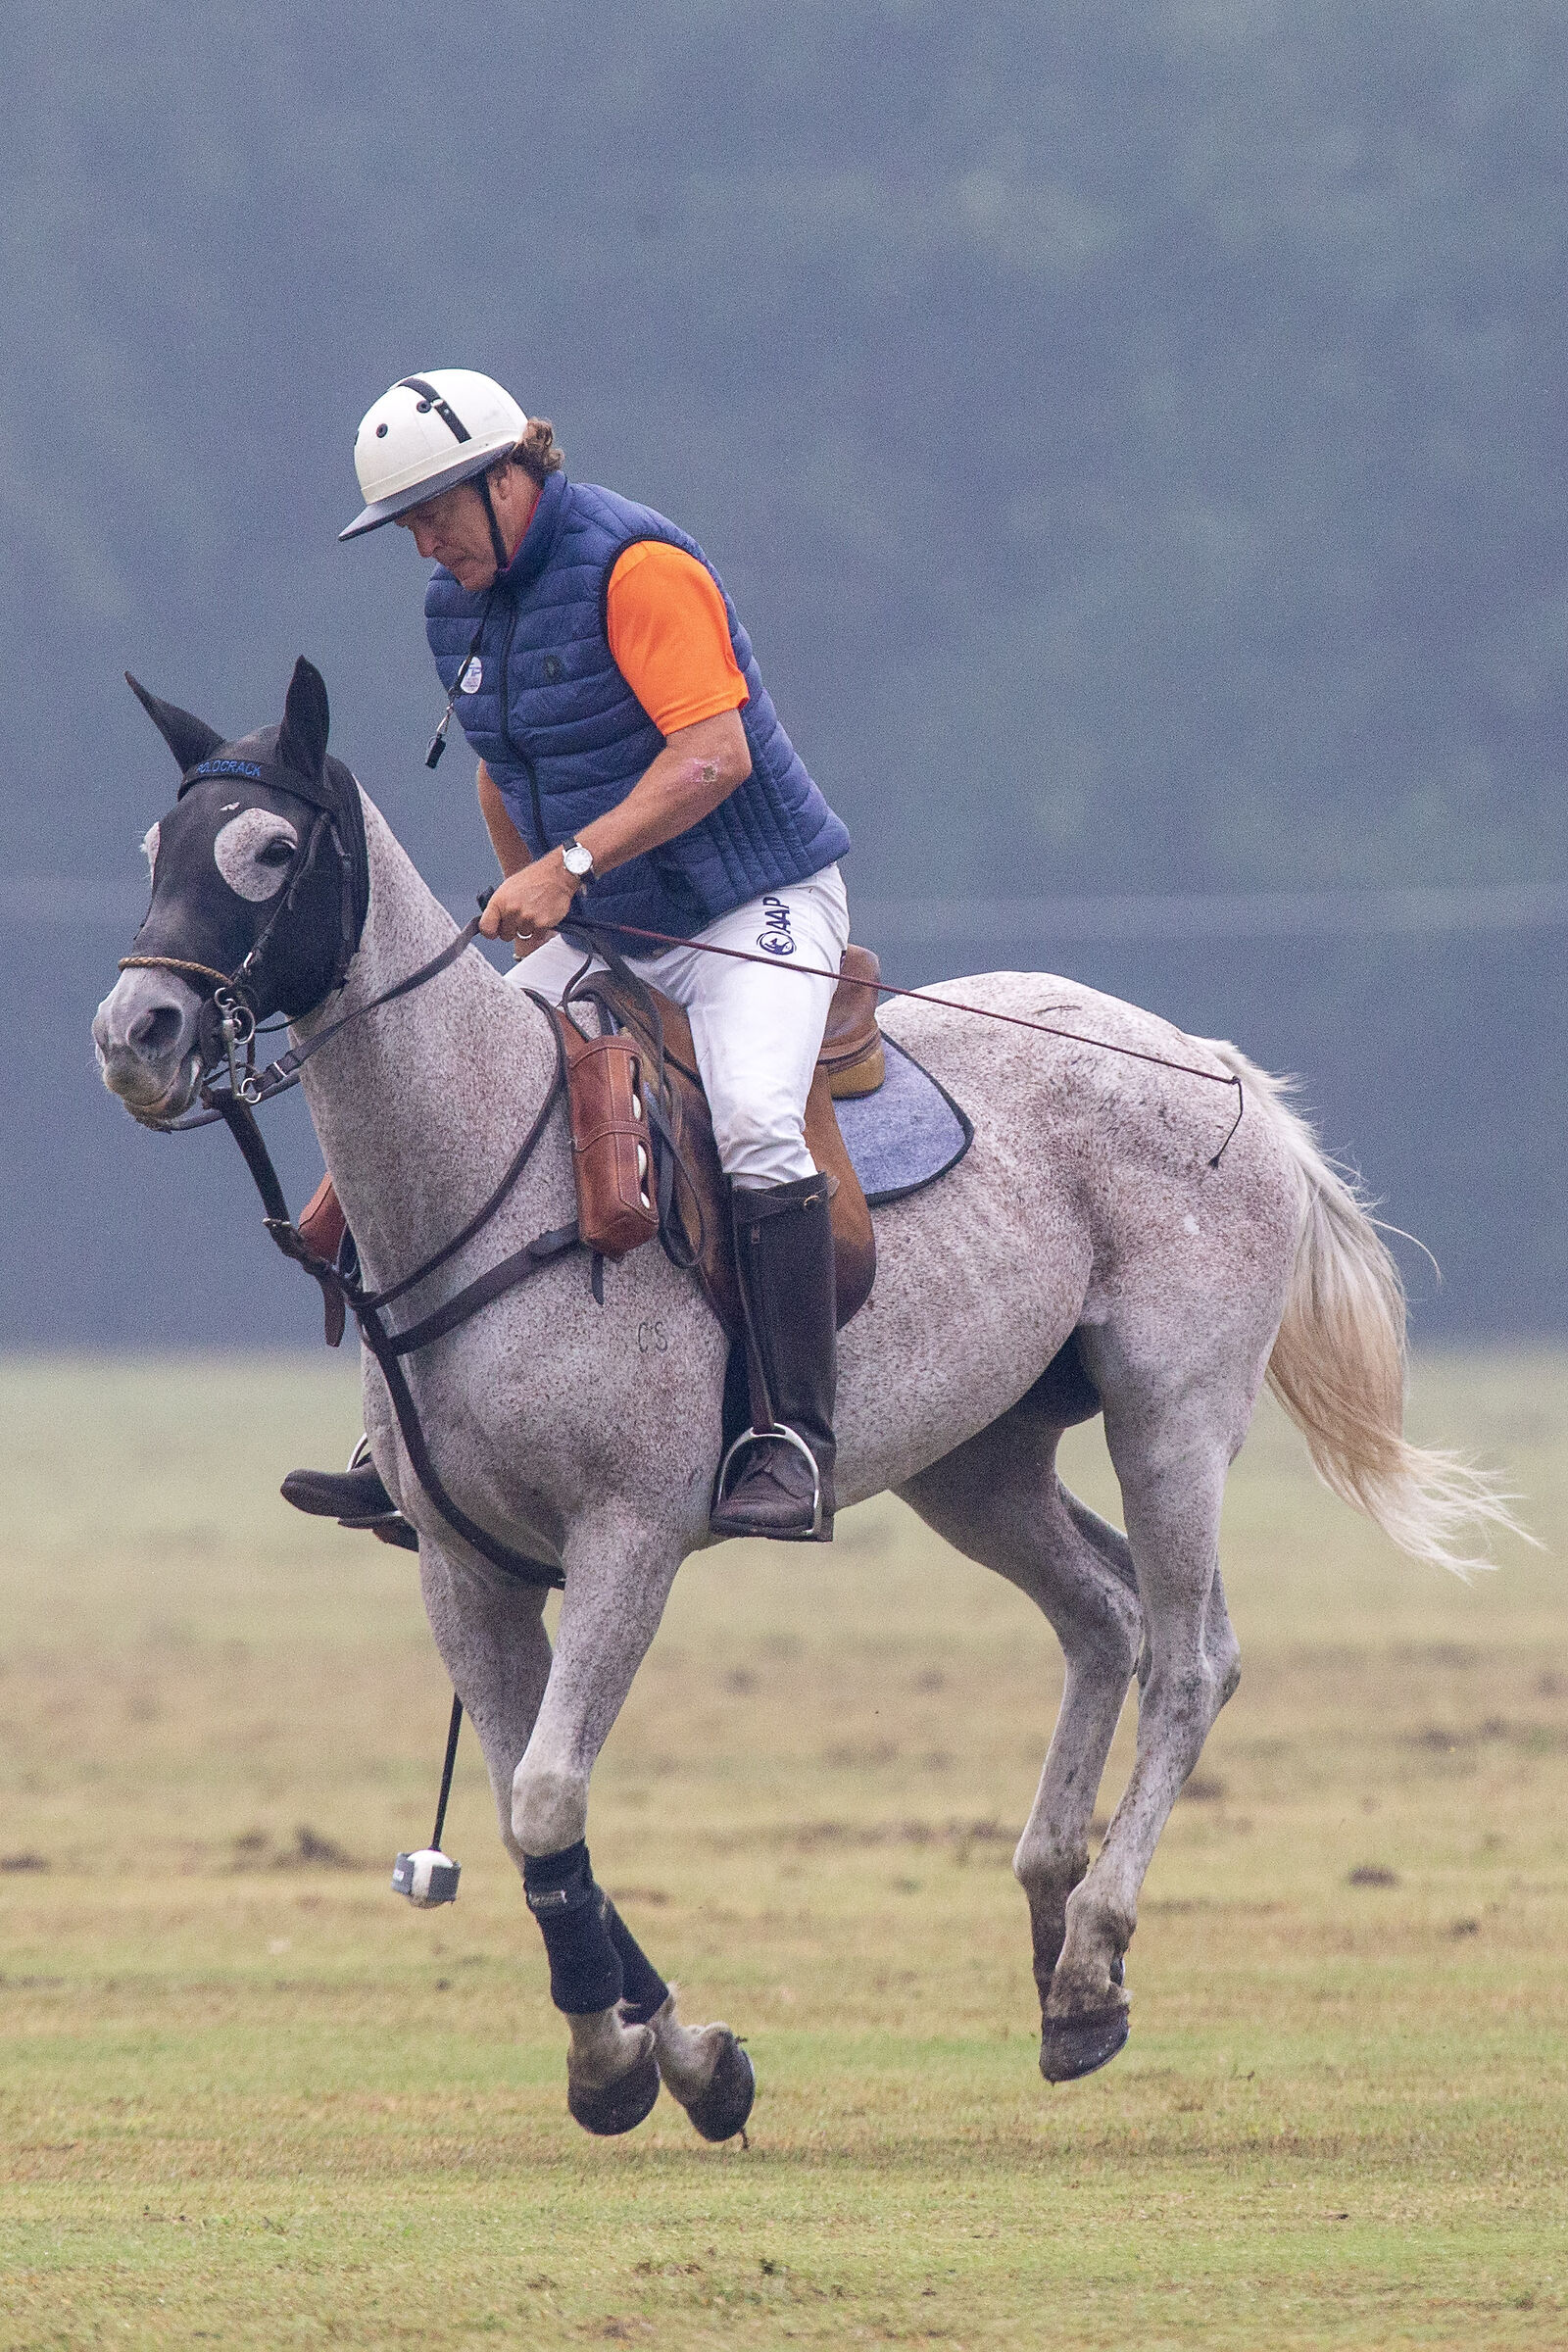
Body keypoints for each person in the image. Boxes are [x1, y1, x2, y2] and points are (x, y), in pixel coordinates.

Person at [284, 369, 853, 1542]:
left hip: (752, 907)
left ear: (509, 477)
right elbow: (506, 764)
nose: (426, 544)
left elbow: (713, 754)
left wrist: (569, 870)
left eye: (437, 510)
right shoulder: (459, 603)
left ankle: (792, 1439)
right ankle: (399, 1441)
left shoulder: (636, 568)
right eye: (406, 526)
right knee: (449, 1085)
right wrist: (543, 895)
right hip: (611, 922)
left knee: (752, 1119)